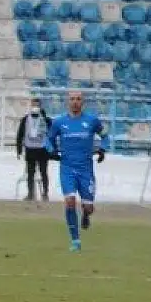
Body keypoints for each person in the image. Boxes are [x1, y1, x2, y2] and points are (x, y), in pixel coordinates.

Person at [44, 91, 109, 252]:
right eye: (72, 99)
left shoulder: (92, 120)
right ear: (68, 102)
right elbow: (48, 139)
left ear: (83, 102)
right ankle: (75, 240)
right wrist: (51, 150)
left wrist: (102, 150)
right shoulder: (59, 122)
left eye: (78, 99)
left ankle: (86, 215)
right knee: (70, 200)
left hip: (86, 170)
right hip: (67, 168)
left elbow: (105, 136)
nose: (75, 102)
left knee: (88, 207)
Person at [15, 97, 53, 202]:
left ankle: (45, 193)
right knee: (30, 173)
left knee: (43, 172)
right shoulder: (26, 119)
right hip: (30, 149)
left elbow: (52, 131)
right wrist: (19, 149)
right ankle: (30, 194)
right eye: (34, 105)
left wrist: (44, 117)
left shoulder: (46, 119)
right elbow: (20, 134)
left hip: (42, 149)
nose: (35, 107)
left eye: (37, 105)